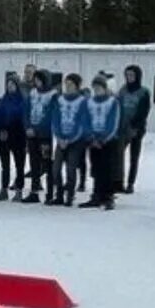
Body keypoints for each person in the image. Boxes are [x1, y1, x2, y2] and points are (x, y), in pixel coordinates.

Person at [80, 74, 121, 210]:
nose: (97, 90)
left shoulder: (112, 102)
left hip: (108, 141)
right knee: (96, 168)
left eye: (99, 87)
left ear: (105, 88)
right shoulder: (89, 102)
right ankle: (96, 195)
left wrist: (103, 138)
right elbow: (85, 120)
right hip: (93, 140)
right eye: (95, 87)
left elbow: (113, 122)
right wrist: (91, 137)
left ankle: (108, 197)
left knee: (107, 168)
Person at [49, 73, 90, 207]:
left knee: (71, 169)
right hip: (61, 138)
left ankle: (70, 195)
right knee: (56, 168)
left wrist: (71, 139)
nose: (67, 87)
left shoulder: (82, 102)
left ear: (77, 86)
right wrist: (59, 137)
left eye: (71, 85)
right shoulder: (60, 100)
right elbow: (55, 119)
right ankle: (59, 194)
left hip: (75, 140)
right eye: (66, 84)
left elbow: (82, 123)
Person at [0, 73, 27, 201]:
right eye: (8, 84)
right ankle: (4, 189)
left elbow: (24, 120)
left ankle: (19, 190)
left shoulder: (23, 101)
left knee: (19, 165)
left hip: (18, 137)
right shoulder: (2, 101)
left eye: (12, 84)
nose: (10, 87)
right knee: (4, 165)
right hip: (3, 137)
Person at [22, 69, 56, 204]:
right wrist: (28, 127)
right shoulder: (33, 93)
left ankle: (50, 192)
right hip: (32, 134)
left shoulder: (53, 95)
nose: (36, 82)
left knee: (47, 163)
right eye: (35, 80)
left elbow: (51, 115)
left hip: (45, 135)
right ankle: (34, 191)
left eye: (39, 80)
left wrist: (39, 129)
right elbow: (26, 111)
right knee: (34, 163)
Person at [118, 64, 151, 194]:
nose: (129, 77)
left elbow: (144, 111)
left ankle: (130, 183)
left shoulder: (143, 92)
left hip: (137, 128)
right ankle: (118, 181)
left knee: (134, 156)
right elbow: (118, 106)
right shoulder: (122, 91)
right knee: (119, 155)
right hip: (122, 127)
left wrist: (135, 126)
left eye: (132, 75)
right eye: (127, 75)